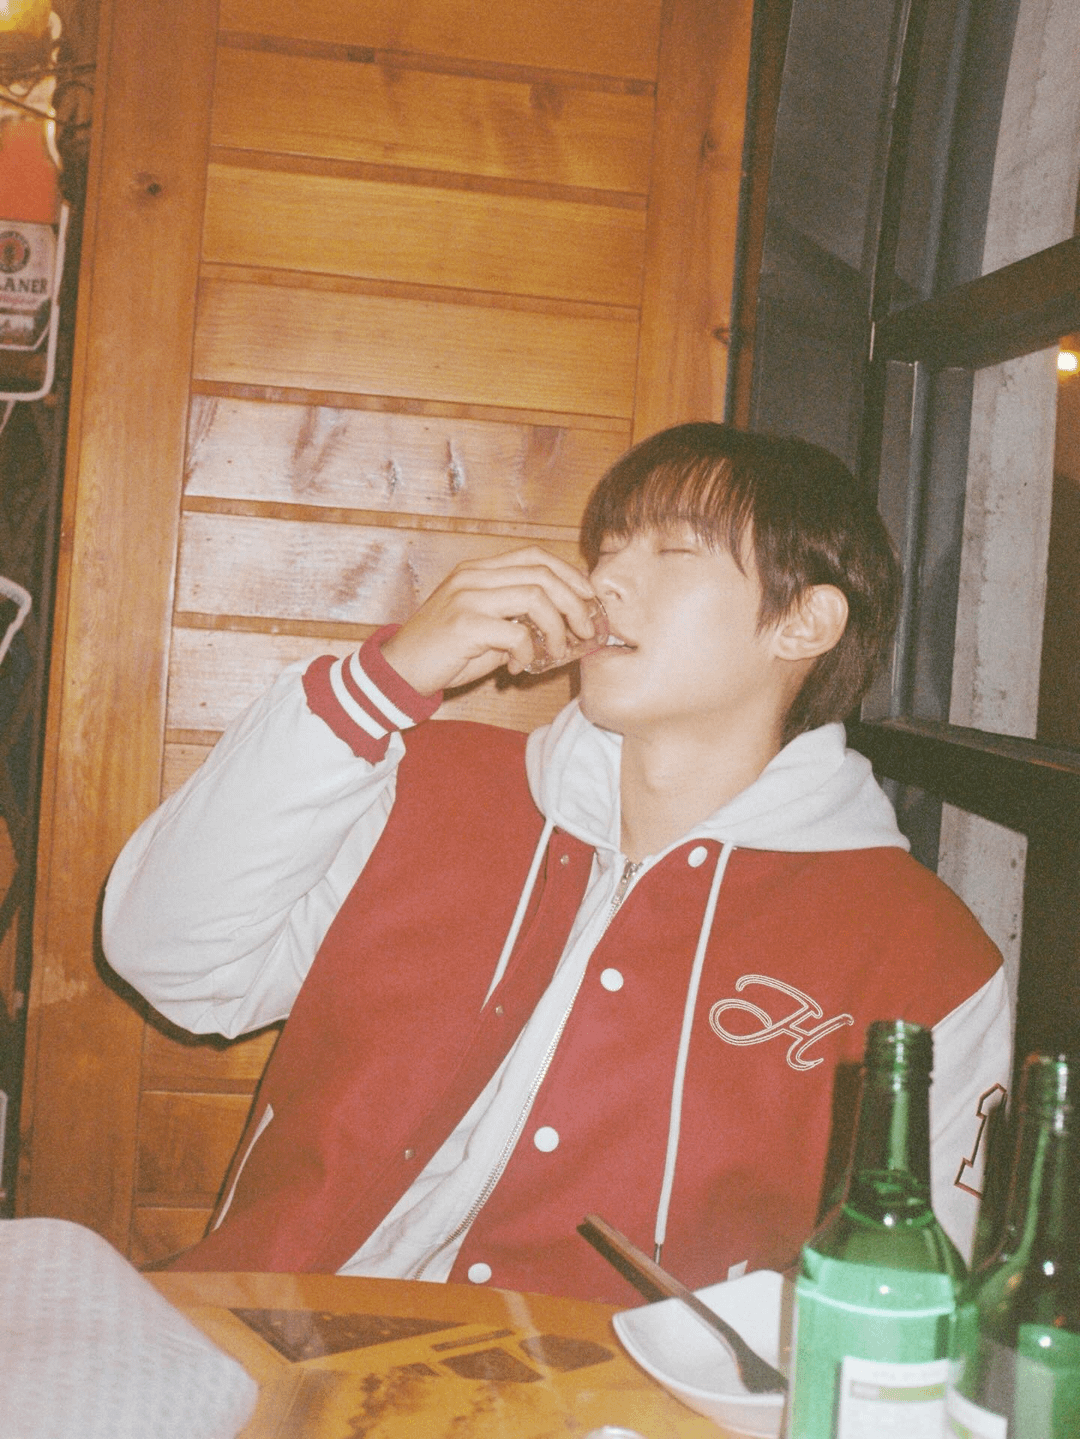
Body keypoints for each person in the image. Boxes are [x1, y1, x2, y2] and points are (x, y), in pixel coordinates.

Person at [103, 422, 1010, 1302]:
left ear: (804, 621)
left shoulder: (927, 958)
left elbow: (916, 1303)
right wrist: (385, 683)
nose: (607, 577)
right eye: (608, 548)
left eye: (673, 550)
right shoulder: (424, 785)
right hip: (261, 1337)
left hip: (612, 1388)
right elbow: (174, 966)